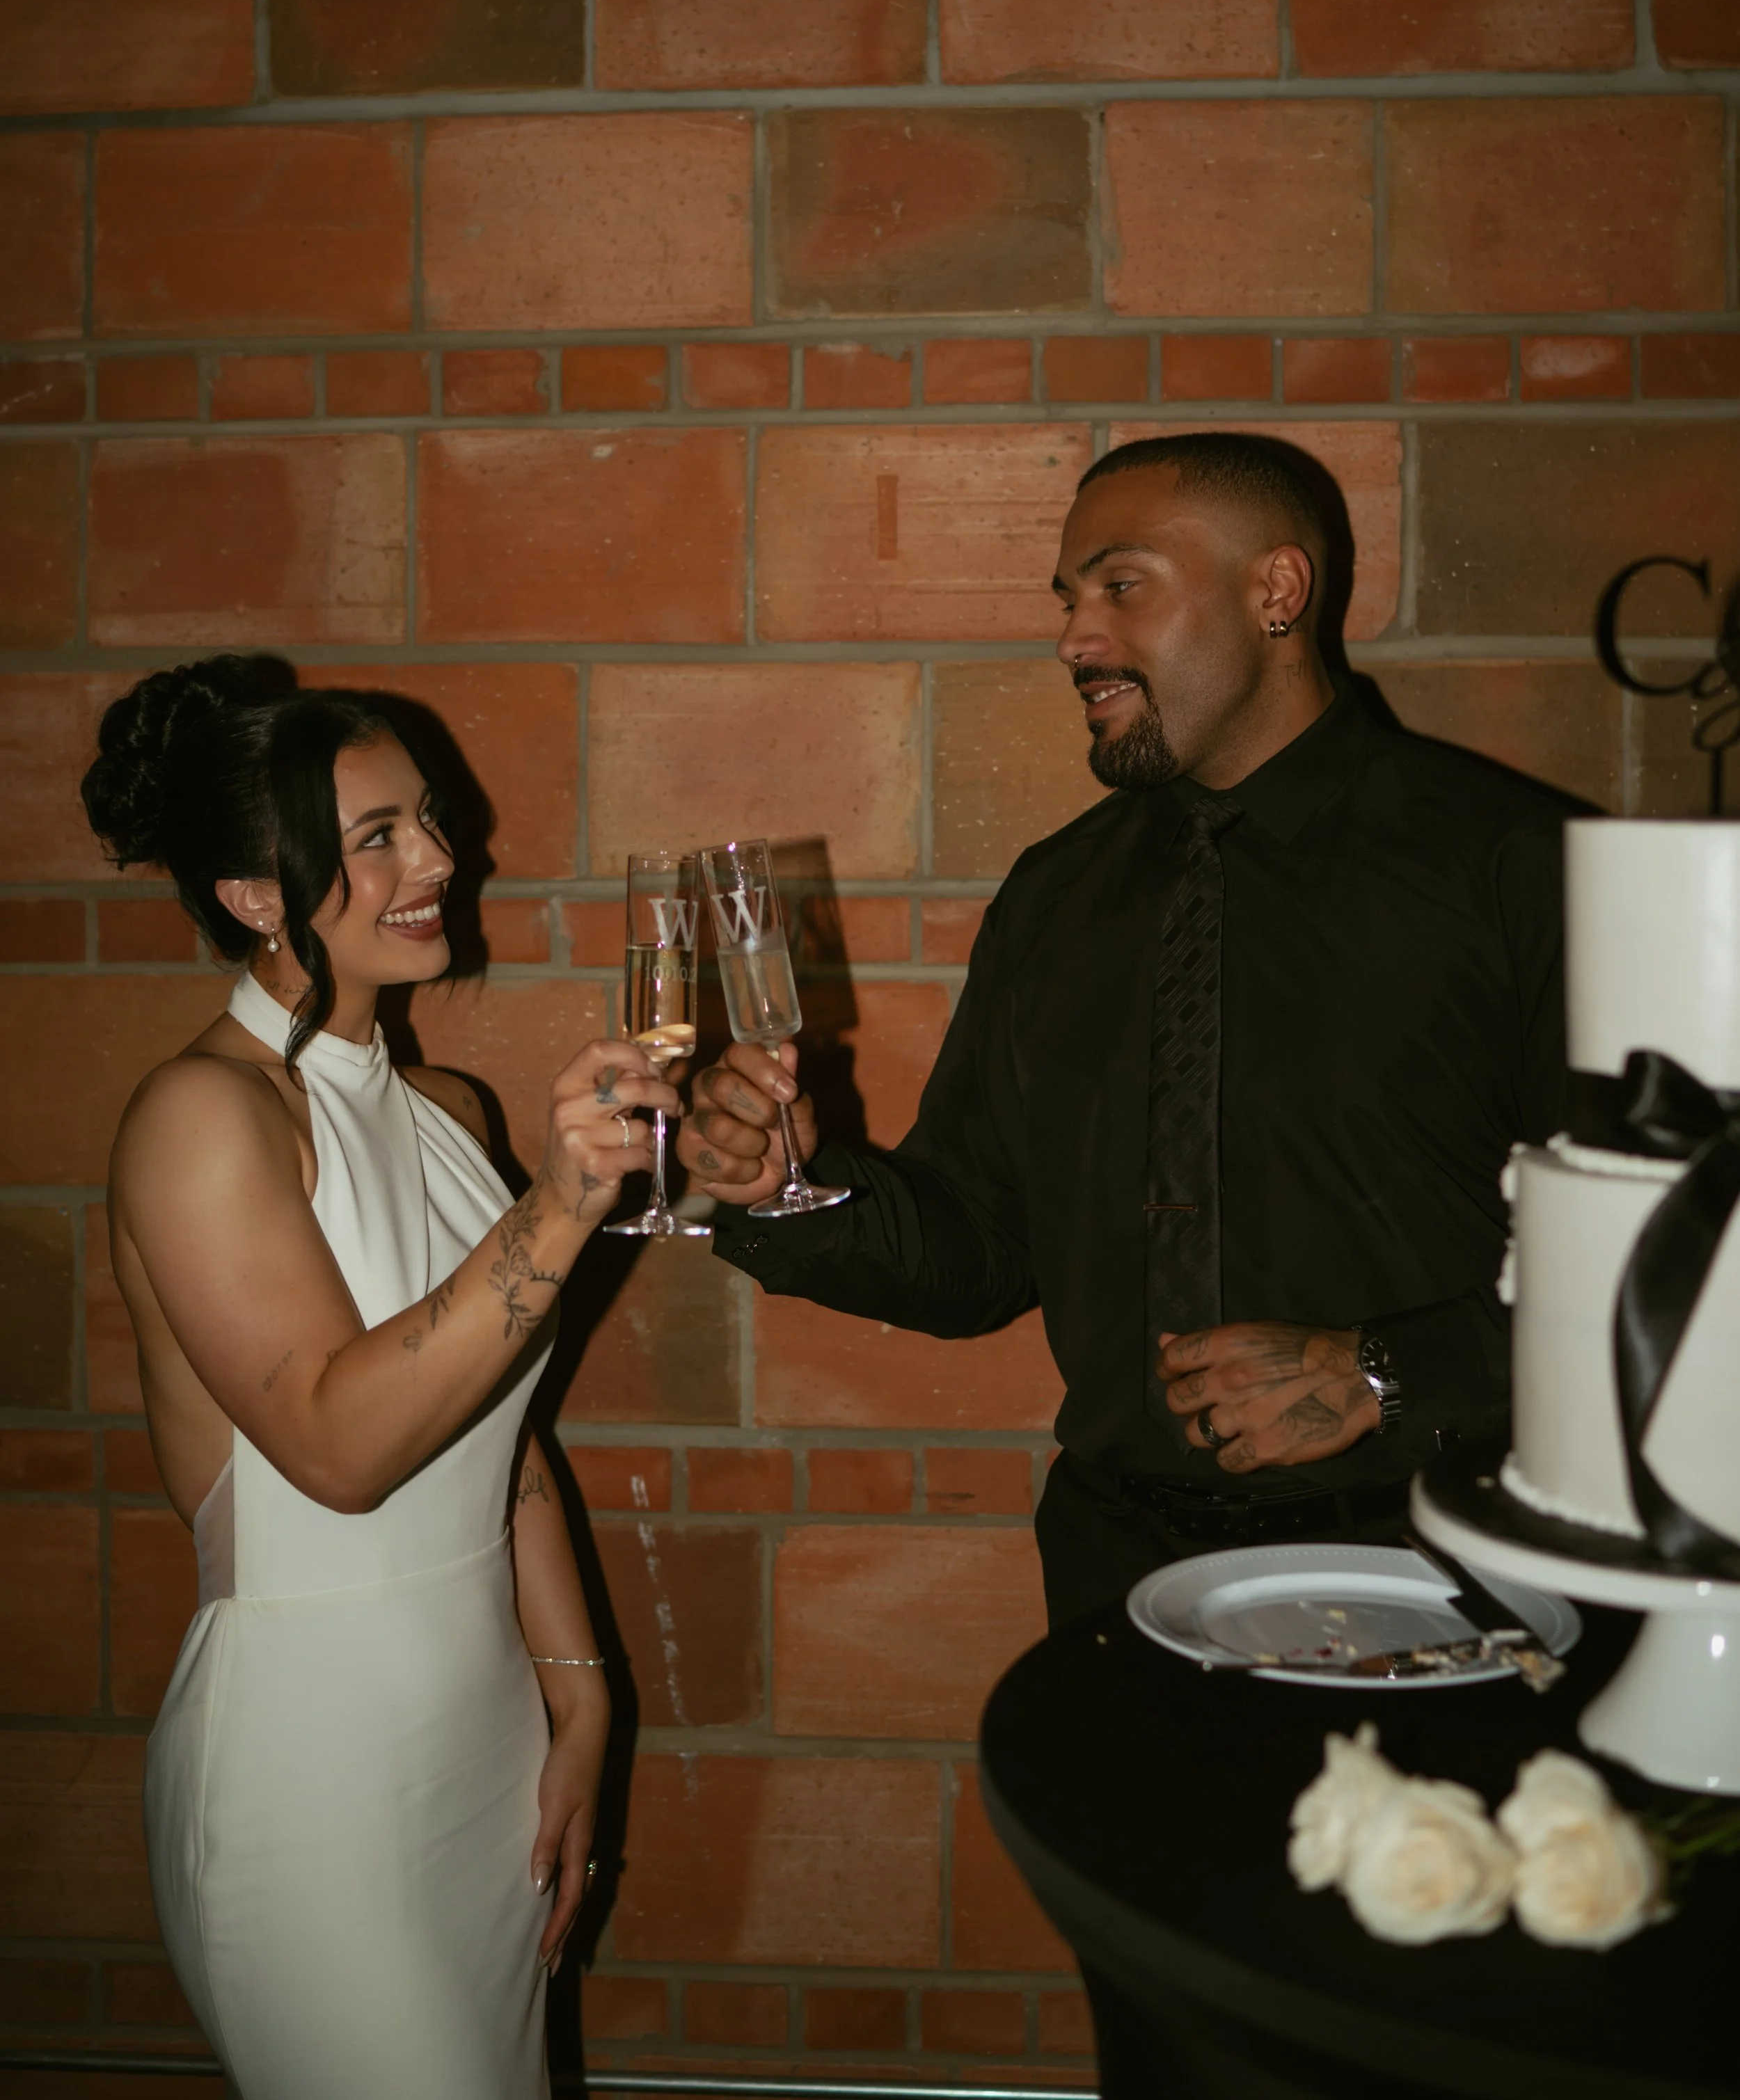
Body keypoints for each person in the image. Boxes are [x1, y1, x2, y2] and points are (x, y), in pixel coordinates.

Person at [680, 431, 1571, 1630]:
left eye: (1121, 586)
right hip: (1119, 1587)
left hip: (1444, 1581)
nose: (1074, 639)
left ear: (1276, 591)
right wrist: (788, 1191)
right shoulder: (1056, 897)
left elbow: (1677, 1254)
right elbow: (979, 1246)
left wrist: (1383, 1370)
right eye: (1069, 599)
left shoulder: (1520, 869)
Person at [83, 657, 674, 2100]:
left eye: (428, 819)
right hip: (316, 1777)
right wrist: (563, 1203)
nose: (441, 859)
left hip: (485, 1749)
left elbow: (502, 1440)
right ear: (254, 895)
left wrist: (581, 1696)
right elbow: (339, 1450)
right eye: (378, 837)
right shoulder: (202, 1114)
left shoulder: (447, 1108)